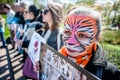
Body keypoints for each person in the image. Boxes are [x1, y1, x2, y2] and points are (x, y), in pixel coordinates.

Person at [59, 6, 120, 80]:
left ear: (97, 38)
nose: (70, 42)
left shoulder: (110, 74)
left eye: (82, 35)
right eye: (67, 32)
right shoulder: (55, 57)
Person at [15, 5, 44, 80]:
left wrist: (24, 43)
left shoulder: (38, 24)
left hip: (33, 53)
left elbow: (38, 40)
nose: (24, 14)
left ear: (31, 14)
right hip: (27, 50)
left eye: (26, 12)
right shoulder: (28, 23)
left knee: (33, 71)